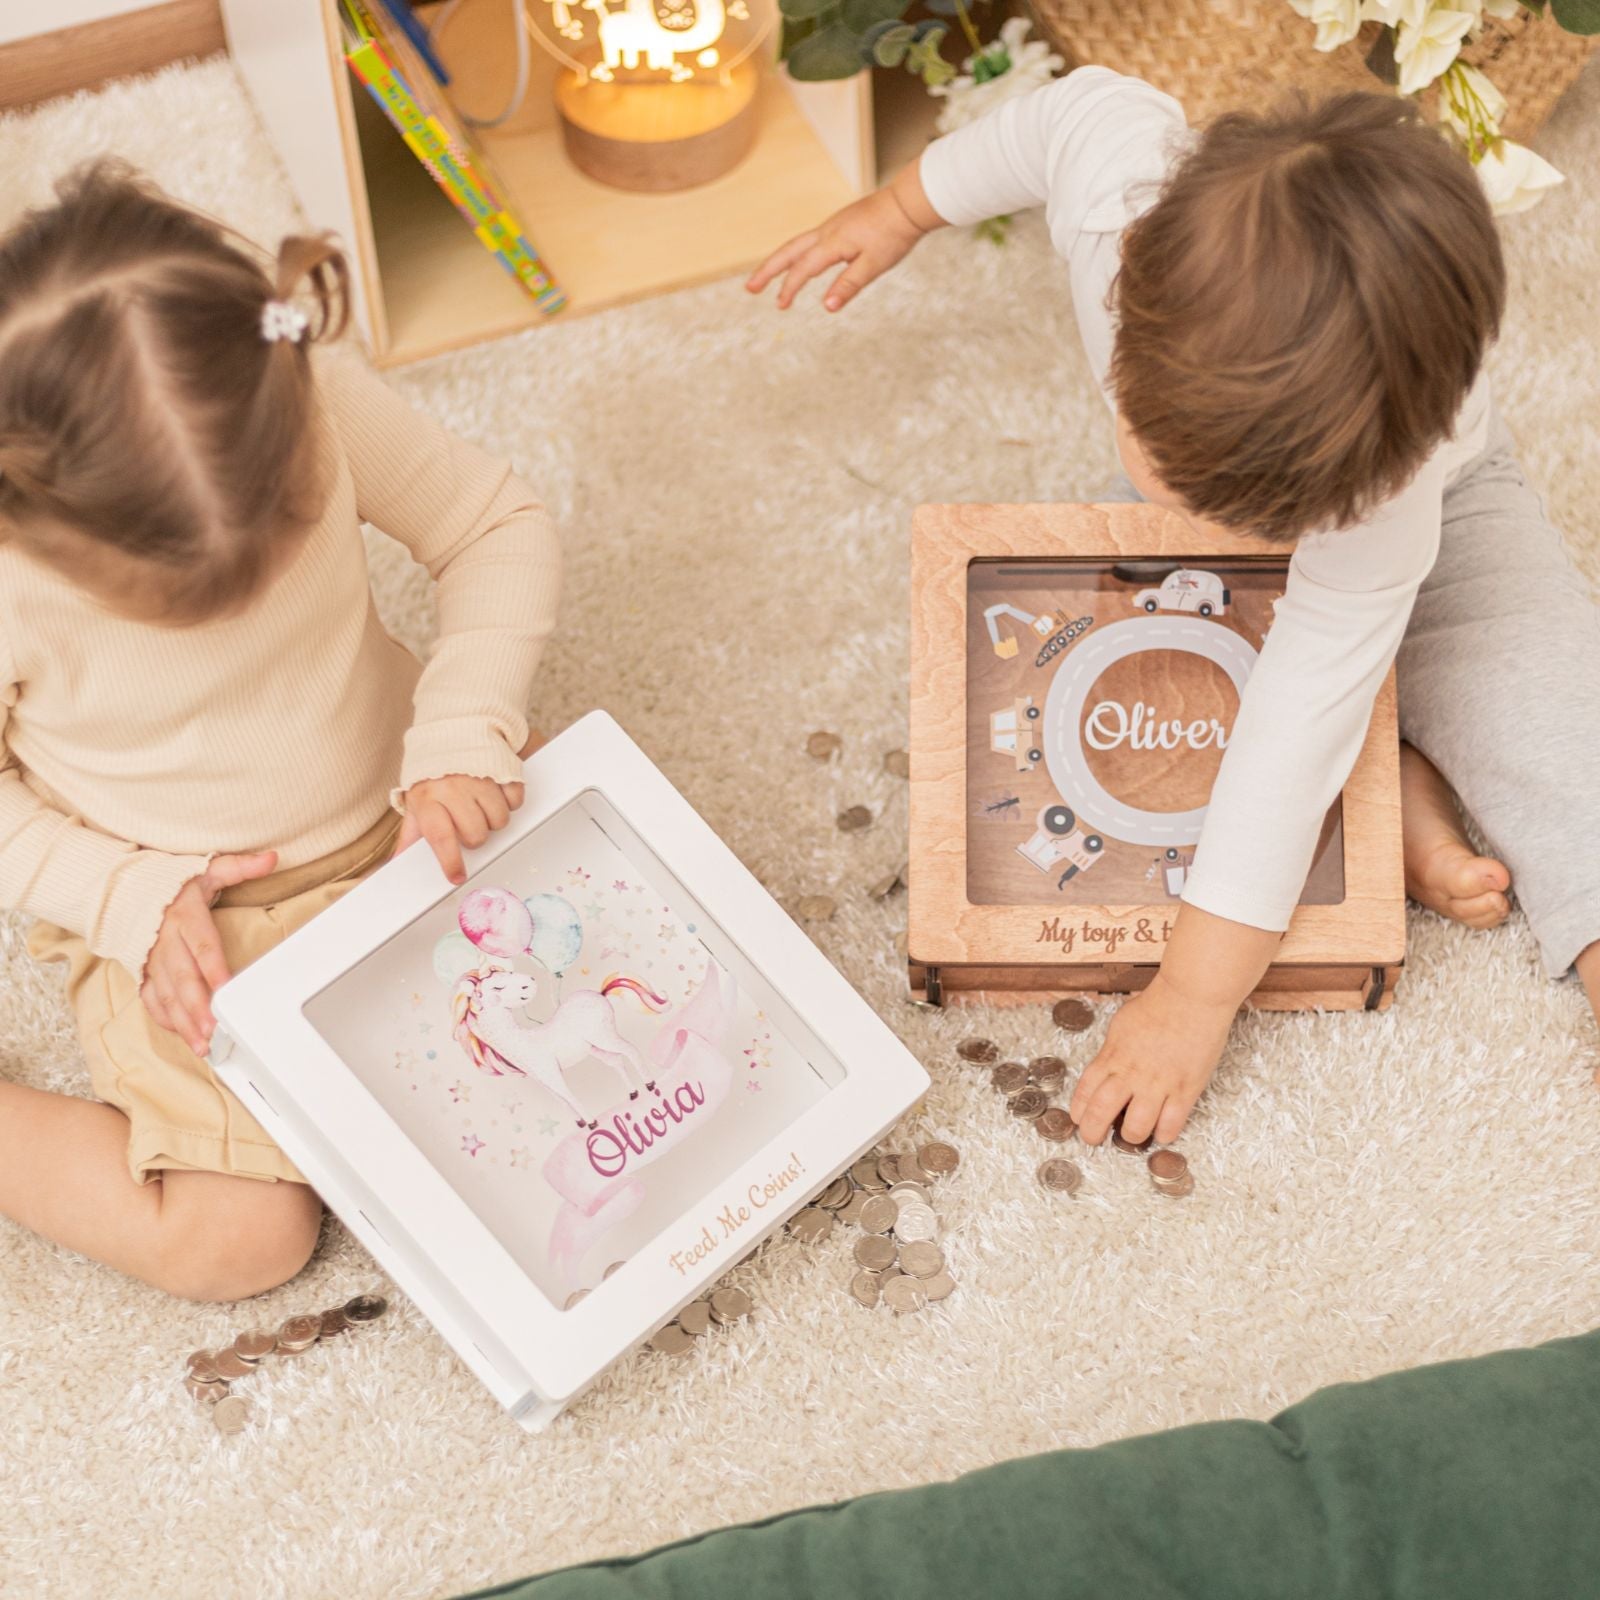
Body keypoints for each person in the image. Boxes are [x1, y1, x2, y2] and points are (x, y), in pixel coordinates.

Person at [750, 70, 1600, 1143]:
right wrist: (903, 206)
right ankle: (1383, 774)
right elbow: (1055, 116)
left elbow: (1294, 724)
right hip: (1250, 524)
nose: (1221, 523)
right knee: (1130, 704)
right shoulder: (1119, 197)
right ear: (1133, 300)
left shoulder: (1390, 491)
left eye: (1240, 510)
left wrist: (1194, 996)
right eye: (1173, 465)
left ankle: (1388, 767)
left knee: (1550, 700)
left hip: (1437, 510)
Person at [0, 163, 560, 1299]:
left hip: (413, 808)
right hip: (186, 909)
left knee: (600, 995)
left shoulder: (294, 386)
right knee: (239, 1240)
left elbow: (492, 524)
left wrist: (462, 726)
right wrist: (123, 895)